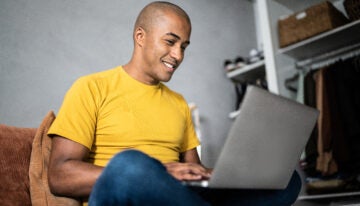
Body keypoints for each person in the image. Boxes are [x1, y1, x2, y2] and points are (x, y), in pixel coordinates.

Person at [47, 1, 301, 205]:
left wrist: (230, 173)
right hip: (124, 195)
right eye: (170, 42)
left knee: (286, 180)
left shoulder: (178, 103)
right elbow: (59, 175)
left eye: (184, 46)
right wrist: (160, 171)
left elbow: (193, 170)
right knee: (130, 164)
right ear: (140, 36)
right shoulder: (91, 87)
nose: (178, 55)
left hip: (175, 196)